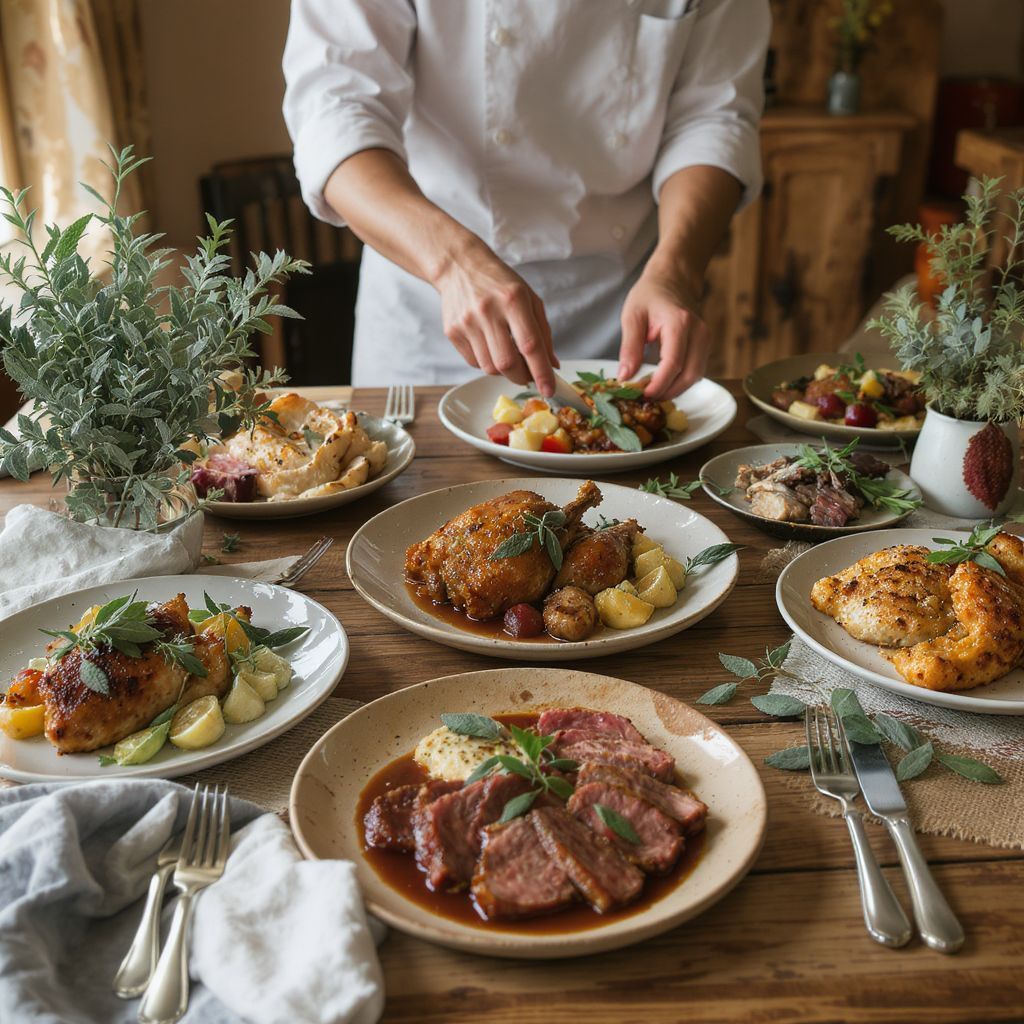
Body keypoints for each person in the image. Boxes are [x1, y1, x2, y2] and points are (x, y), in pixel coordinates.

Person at [283, 0, 770, 399]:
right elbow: (336, 113)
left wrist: (675, 272)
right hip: (430, 307)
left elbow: (713, 118)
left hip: (623, 311)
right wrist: (454, 264)